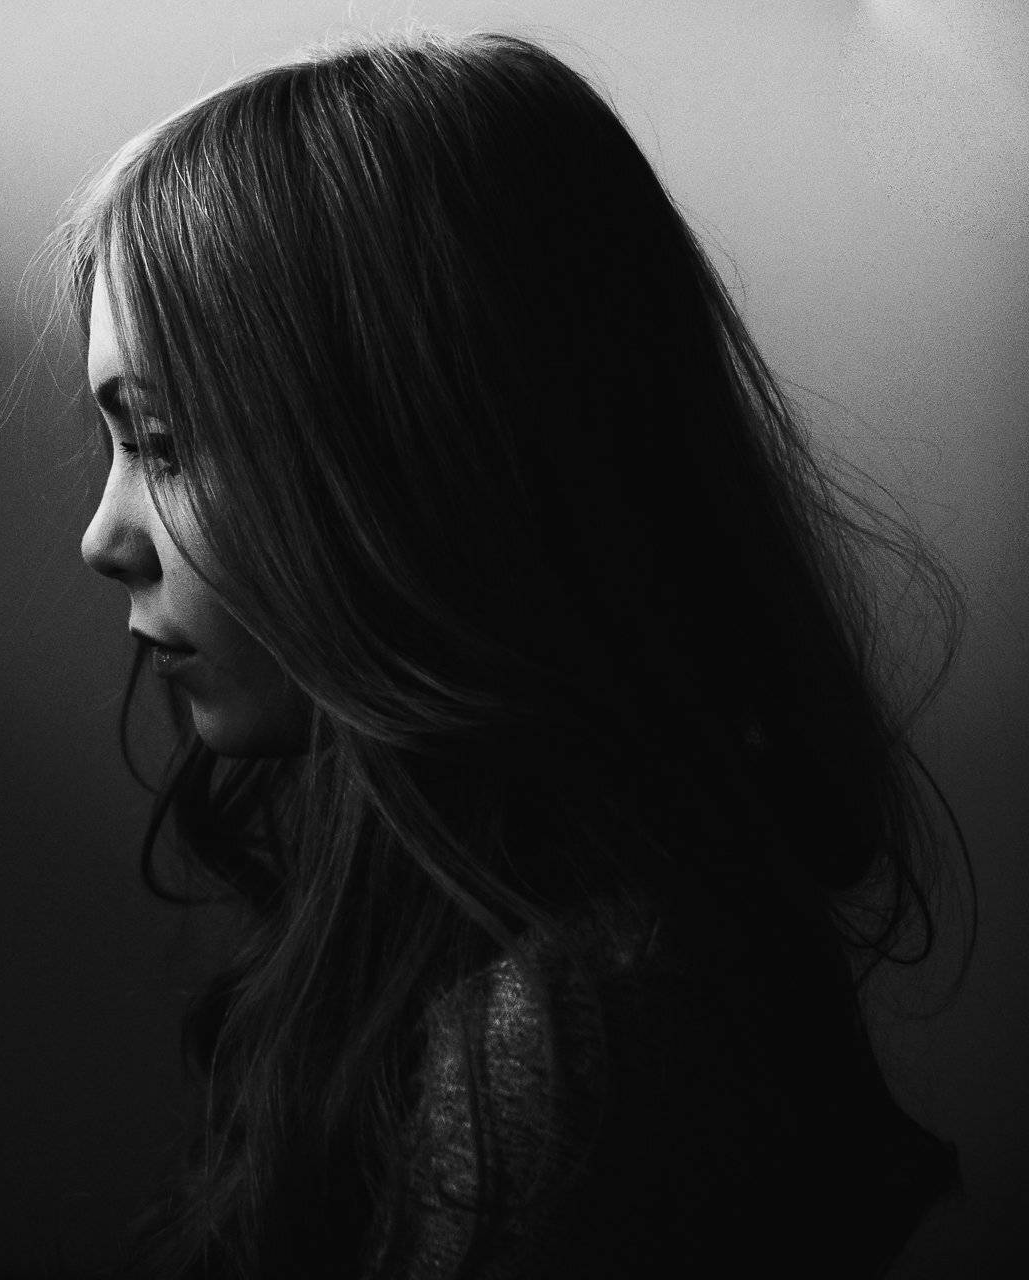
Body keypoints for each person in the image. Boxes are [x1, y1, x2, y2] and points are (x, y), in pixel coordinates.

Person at [65, 28, 969, 1279]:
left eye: (161, 442)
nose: (102, 537)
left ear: (419, 467)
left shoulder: (571, 1048)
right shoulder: (447, 941)